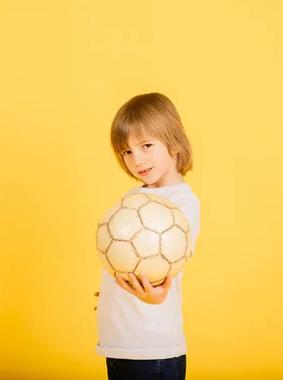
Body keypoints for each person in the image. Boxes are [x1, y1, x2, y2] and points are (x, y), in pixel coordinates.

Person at [94, 92, 201, 380]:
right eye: (127, 151)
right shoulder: (133, 198)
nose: (136, 158)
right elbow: (128, 259)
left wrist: (157, 296)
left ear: (173, 142)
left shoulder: (181, 202)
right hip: (118, 342)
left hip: (152, 347)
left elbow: (167, 266)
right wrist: (114, 293)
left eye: (146, 145)